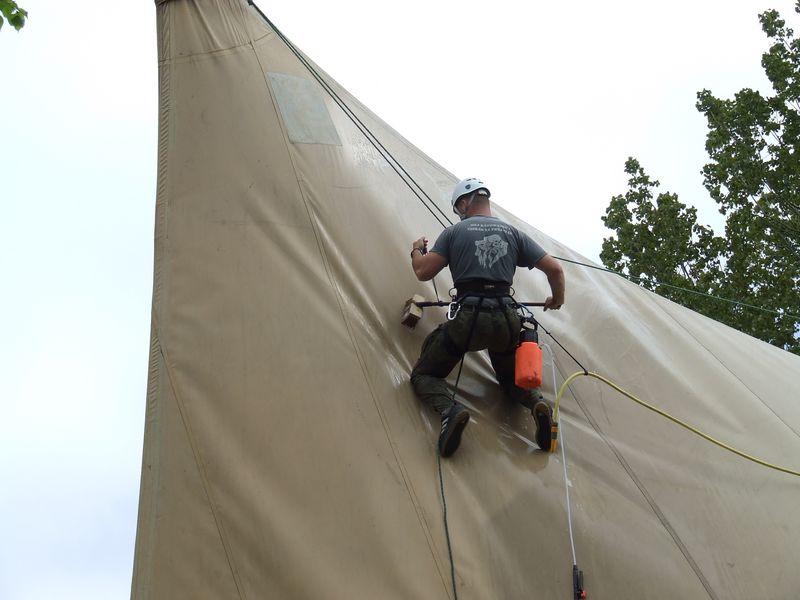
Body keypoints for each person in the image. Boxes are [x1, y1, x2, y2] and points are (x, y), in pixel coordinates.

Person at [409, 178, 565, 457]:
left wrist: (416, 249)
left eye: (460, 207)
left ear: (465, 202)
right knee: (510, 381)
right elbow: (556, 270)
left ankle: (450, 410)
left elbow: (422, 271)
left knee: (425, 374)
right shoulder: (514, 234)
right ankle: (536, 403)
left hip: (469, 319)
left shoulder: (454, 232)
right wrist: (557, 299)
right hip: (507, 319)